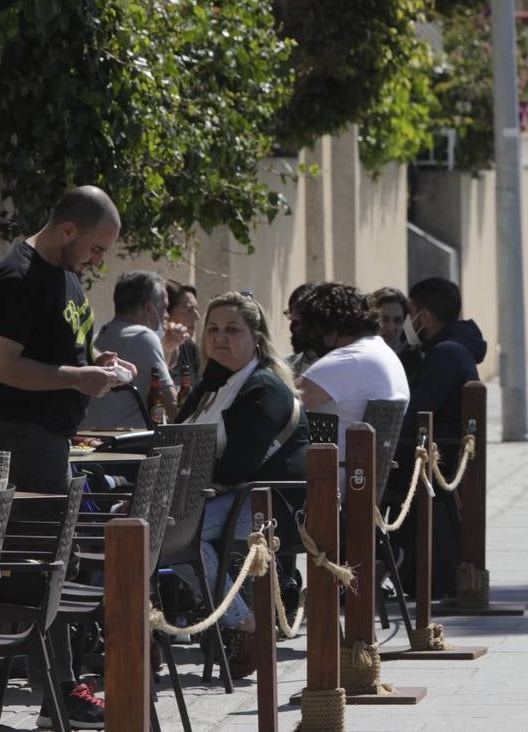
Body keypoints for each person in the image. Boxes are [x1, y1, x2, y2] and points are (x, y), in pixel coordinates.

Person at [0, 185, 132, 729]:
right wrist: (77, 376)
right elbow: (2, 366)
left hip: (45, 435)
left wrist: (93, 361)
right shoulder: (17, 276)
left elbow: (56, 349)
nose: (99, 260)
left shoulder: (65, 275)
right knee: (41, 568)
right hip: (14, 435)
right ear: (68, 230)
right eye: (98, 248)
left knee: (55, 564)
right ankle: (59, 694)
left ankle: (59, 692)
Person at [173, 292, 303, 677]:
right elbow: (177, 437)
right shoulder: (215, 381)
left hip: (271, 505)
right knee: (145, 527)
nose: (219, 338)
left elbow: (235, 469)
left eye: (232, 330)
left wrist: (178, 485)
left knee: (175, 535)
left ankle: (246, 626)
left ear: (257, 339)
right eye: (212, 329)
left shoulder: (263, 388)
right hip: (224, 497)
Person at [393, 277, 487, 598]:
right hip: (439, 451)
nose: (407, 322)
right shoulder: (447, 349)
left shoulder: (446, 354)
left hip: (437, 457)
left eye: (411, 313)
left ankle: (382, 562)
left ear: (425, 317)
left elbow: (417, 411)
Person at [295, 282, 410, 463]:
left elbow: (282, 406)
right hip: (359, 482)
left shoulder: (348, 360)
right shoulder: (384, 354)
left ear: (329, 328)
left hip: (324, 484)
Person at [81, 272, 176, 430]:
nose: (167, 316)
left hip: (90, 442)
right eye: (165, 308)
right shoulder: (143, 336)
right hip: (129, 448)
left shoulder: (98, 338)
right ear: (148, 308)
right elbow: (172, 404)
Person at [372, 286, 423, 384]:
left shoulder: (413, 359)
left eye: (397, 320)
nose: (390, 327)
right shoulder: (356, 353)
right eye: (384, 319)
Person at [163, 279, 201, 389]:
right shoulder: (151, 346)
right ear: (167, 312)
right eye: (189, 309)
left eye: (196, 310)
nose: (197, 316)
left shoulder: (191, 349)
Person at [284, 282, 318, 377]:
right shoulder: (285, 366)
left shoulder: (340, 366)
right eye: (291, 313)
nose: (293, 320)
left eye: (301, 314)